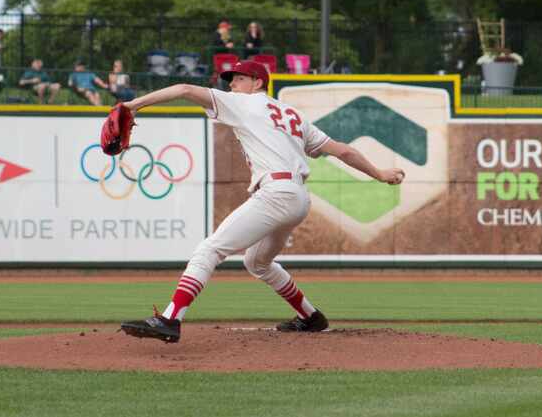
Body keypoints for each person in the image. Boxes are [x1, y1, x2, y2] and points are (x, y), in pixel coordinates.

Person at [119, 60, 406, 343]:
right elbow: (342, 151)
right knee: (257, 262)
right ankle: (311, 317)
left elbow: (184, 88)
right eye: (230, 80)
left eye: (239, 78)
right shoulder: (292, 115)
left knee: (210, 248)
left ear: (258, 83)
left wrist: (132, 106)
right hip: (297, 198)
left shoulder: (244, 103)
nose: (232, 84)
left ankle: (170, 319)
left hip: (276, 193)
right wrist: (379, 173)